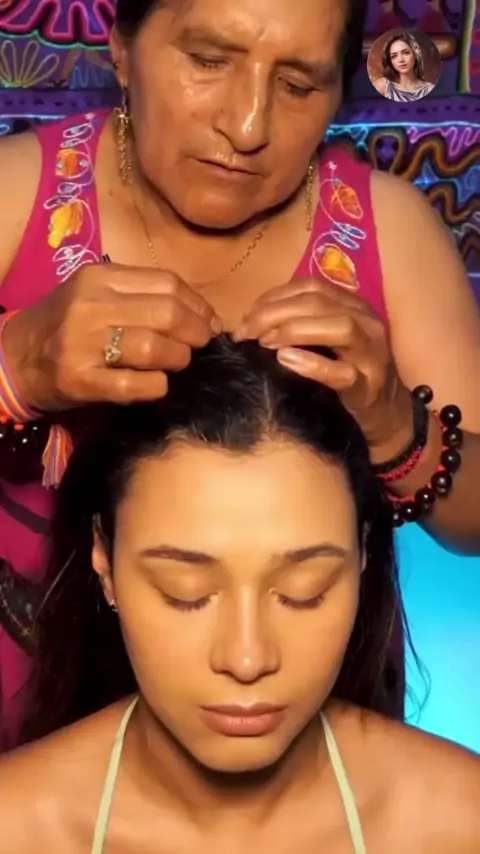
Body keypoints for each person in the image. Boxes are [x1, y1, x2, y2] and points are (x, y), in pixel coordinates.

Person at [1, 0, 480, 751]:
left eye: (298, 84)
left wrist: (397, 427)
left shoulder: (390, 232)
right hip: (30, 717)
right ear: (121, 49)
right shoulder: (15, 197)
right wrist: (17, 369)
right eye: (208, 61)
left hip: (308, 738)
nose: (250, 125)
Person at [1, 337, 479, 853]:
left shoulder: (459, 822)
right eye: (184, 594)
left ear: (363, 558)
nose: (247, 659)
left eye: (305, 592)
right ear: (104, 562)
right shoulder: (18, 826)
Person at [373, 31, 436, 101]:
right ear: (390, 61)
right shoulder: (383, 86)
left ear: (415, 54)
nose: (400, 60)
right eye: (394, 56)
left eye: (406, 53)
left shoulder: (429, 89)